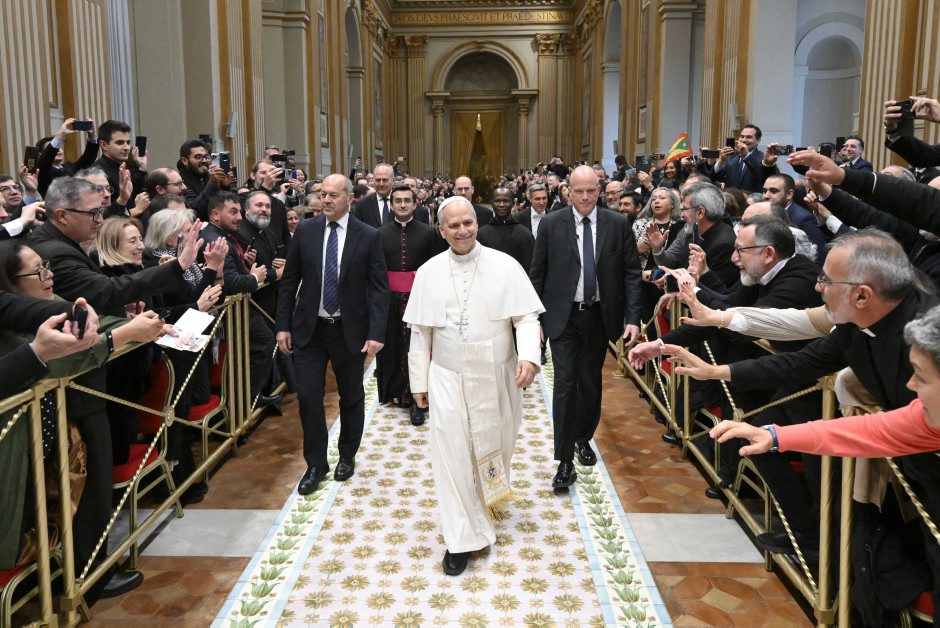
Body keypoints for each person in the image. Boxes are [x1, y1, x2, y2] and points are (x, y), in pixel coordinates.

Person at [404, 195, 543, 576]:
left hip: (497, 371)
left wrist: (529, 357)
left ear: (477, 224)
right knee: (451, 454)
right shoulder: (429, 272)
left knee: (497, 444)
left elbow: (526, 317)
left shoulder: (505, 265)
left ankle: (483, 507)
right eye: (454, 225)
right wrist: (418, 381)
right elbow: (420, 332)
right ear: (441, 230)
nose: (462, 230)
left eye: (468, 223)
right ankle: (460, 538)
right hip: (447, 374)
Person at [529, 165, 642, 489]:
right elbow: (538, 273)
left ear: (600, 190)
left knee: (590, 382)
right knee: (565, 383)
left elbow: (631, 273)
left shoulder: (617, 224)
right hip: (562, 316)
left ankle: (583, 437)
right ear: (568, 192)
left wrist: (632, 318)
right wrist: (535, 319)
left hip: (599, 316)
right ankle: (564, 460)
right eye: (578, 191)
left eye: (591, 191)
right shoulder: (552, 224)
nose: (585, 197)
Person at [276, 174, 389, 495]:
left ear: (349, 199)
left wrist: (376, 332)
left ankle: (347, 455)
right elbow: (289, 280)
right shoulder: (306, 231)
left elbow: (378, 289)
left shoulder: (368, 236)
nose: (325, 199)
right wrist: (283, 325)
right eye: (323, 194)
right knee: (309, 397)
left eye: (333, 195)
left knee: (350, 396)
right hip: (310, 330)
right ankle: (315, 464)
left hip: (348, 330)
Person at [375, 184, 439, 424]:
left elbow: (436, 267)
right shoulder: (379, 233)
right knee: (393, 346)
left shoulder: (429, 233)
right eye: (398, 201)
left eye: (407, 200)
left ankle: (417, 399)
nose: (402, 205)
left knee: (418, 348)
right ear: (391, 205)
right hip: (389, 300)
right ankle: (395, 392)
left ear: (415, 204)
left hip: (420, 299)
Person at [477, 186, 535, 272]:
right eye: (497, 201)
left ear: (513, 203)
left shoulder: (525, 235)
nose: (501, 205)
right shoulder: (481, 235)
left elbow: (532, 267)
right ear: (491, 203)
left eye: (506, 201)